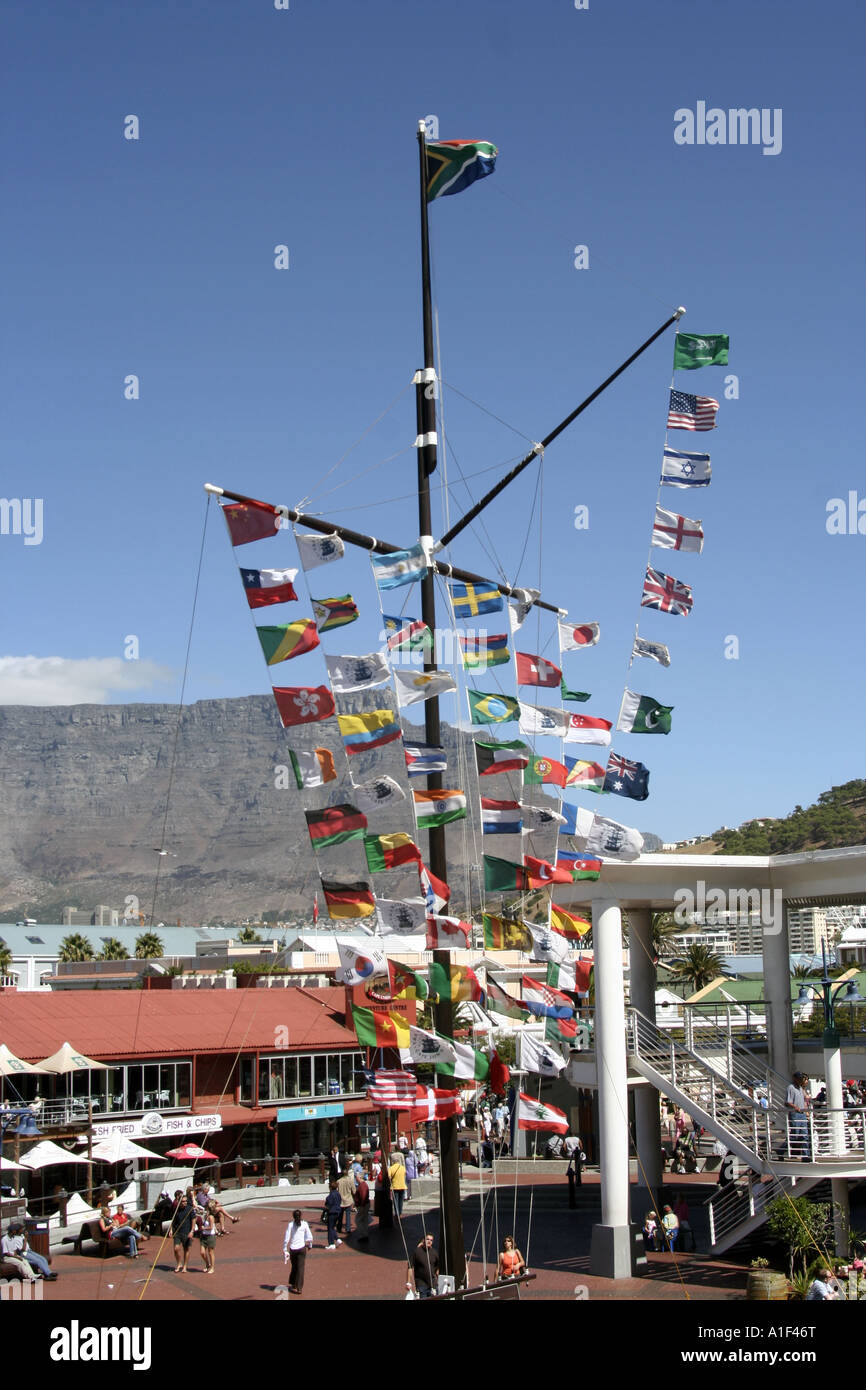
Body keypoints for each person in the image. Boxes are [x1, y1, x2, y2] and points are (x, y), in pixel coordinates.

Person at [283, 1208, 313, 1294]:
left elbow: (286, 1238)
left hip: (293, 1249)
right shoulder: (304, 1224)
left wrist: (285, 1249)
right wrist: (310, 1245)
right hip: (302, 1248)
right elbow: (309, 1236)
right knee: (301, 1268)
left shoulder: (290, 1225)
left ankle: (293, 1283)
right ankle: (299, 1287)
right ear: (300, 1216)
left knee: (294, 1266)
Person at [171, 1190, 199, 1273]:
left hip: (186, 1232)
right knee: (176, 1249)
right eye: (183, 1201)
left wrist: (192, 1231)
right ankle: (179, 1263)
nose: (185, 1203)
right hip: (177, 1232)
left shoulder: (190, 1209)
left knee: (186, 1249)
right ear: (179, 1202)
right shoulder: (176, 1210)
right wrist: (171, 1230)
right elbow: (173, 1221)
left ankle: (185, 1266)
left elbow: (194, 1219)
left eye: (186, 1201)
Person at [786, 1071, 811, 1159]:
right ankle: (782, 1149)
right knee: (795, 1135)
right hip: (795, 1114)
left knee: (804, 1135)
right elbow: (787, 1102)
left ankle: (805, 1156)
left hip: (802, 1114)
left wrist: (806, 1111)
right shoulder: (791, 1088)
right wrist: (795, 1107)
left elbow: (804, 1099)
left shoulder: (800, 1088)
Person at [407, 1232, 439, 1299]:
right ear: (423, 1240)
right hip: (421, 1284)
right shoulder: (416, 1252)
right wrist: (408, 1282)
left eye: (431, 1240)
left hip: (433, 1284)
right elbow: (410, 1267)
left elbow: (437, 1267)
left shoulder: (434, 1253)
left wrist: (438, 1280)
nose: (429, 1241)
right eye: (427, 1239)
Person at [198, 1202, 217, 1273]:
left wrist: (204, 1228)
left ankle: (212, 1267)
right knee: (202, 1252)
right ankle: (207, 1263)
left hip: (210, 1236)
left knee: (210, 1252)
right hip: (204, 1236)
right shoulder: (206, 1215)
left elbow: (211, 1227)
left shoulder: (211, 1217)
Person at [354, 1166, 371, 1241]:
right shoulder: (363, 1185)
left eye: (356, 1177)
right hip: (363, 1204)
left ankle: (363, 1235)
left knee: (359, 1220)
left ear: (359, 1177)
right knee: (364, 1220)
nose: (355, 1179)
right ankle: (364, 1234)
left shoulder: (362, 1185)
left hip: (362, 1205)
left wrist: (362, 1205)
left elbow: (363, 1196)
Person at [324, 1180, 342, 1249]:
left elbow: (328, 1204)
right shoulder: (338, 1194)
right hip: (338, 1212)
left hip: (332, 1212)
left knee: (330, 1228)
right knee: (332, 1227)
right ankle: (337, 1239)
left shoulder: (331, 1195)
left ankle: (331, 1243)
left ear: (330, 1188)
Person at [336, 1167, 356, 1235]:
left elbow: (337, 1191)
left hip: (341, 1200)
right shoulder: (350, 1180)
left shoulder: (338, 1181)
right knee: (348, 1215)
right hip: (348, 1199)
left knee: (340, 1215)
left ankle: (339, 1227)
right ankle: (348, 1229)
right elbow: (354, 1190)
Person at [388, 1153, 407, 1217]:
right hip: (402, 1186)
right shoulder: (403, 1168)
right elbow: (405, 1174)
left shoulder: (391, 1168)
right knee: (401, 1200)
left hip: (395, 1186)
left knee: (395, 1200)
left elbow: (389, 1177)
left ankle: (397, 1213)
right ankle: (400, 1211)